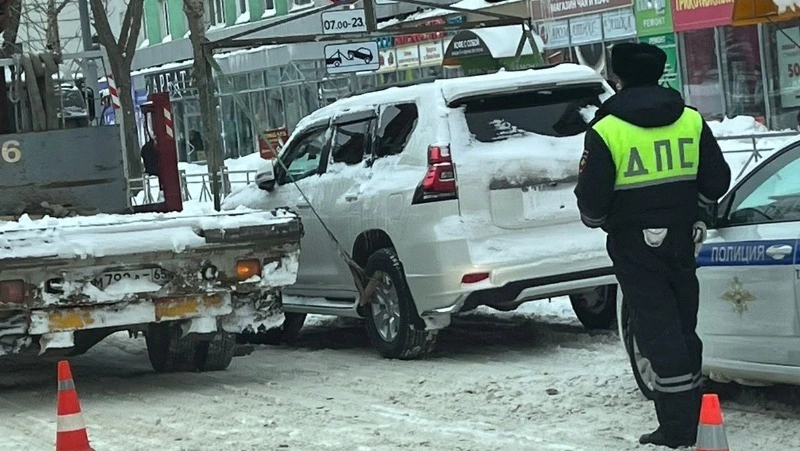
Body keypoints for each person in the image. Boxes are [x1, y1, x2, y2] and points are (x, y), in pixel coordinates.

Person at [574, 42, 731, 448]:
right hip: (682, 239)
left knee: (657, 331)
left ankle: (678, 429)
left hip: (633, 244)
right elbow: (716, 182)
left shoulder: (606, 129)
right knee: (682, 327)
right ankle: (694, 418)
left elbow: (592, 200)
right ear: (660, 74)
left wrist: (602, 221)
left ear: (617, 77)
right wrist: (691, 210)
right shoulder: (691, 121)